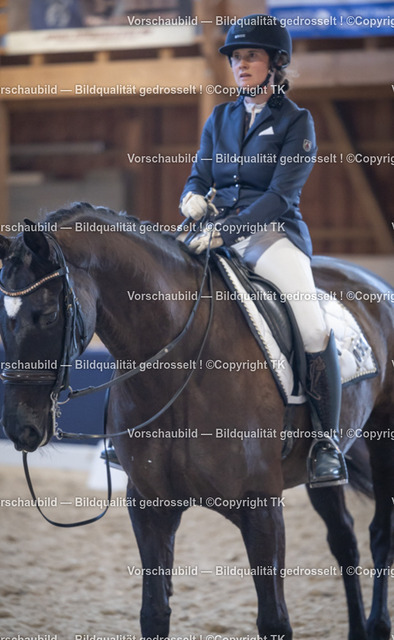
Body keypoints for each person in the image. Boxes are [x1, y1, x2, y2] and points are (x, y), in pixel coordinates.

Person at [179, 14, 347, 488]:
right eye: (236, 57)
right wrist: (190, 197)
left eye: (250, 56)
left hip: (271, 235)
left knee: (312, 326)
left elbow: (280, 197)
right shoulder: (220, 117)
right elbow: (199, 175)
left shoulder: (296, 121)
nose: (240, 64)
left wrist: (227, 233)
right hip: (213, 230)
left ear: (275, 63)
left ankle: (325, 442)